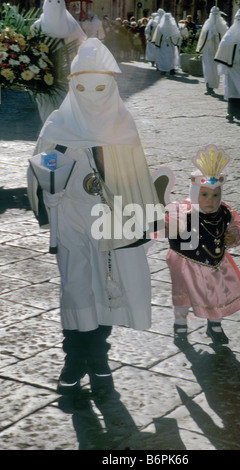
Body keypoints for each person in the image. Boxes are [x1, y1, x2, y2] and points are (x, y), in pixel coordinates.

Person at [27, 38, 162, 397]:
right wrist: (48, 193)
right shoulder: (58, 124)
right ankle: (74, 358)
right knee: (76, 290)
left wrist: (140, 219)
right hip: (70, 218)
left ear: (112, 84)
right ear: (72, 84)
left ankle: (98, 359)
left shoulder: (122, 123)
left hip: (111, 223)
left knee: (108, 288)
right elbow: (41, 168)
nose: (90, 95)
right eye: (81, 86)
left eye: (99, 86)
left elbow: (135, 179)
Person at [165, 144, 240, 348]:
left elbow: (235, 225)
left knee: (217, 291)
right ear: (194, 193)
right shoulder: (183, 211)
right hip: (186, 261)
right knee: (183, 293)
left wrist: (232, 235)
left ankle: (215, 324)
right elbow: (168, 224)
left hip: (215, 262)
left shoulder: (225, 212)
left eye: (215, 195)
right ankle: (180, 324)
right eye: (204, 195)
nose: (210, 201)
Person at [30, 0, 86, 122]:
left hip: (60, 74)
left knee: (61, 105)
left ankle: (54, 132)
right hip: (44, 74)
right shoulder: (38, 26)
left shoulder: (37, 26)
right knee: (48, 107)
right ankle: (52, 133)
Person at [196, 6, 228, 95]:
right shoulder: (207, 24)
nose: (214, 16)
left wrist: (217, 35)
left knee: (215, 70)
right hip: (208, 50)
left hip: (217, 52)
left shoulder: (223, 25)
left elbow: (225, 38)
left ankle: (212, 87)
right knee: (208, 69)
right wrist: (209, 35)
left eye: (216, 14)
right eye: (213, 14)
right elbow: (203, 37)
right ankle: (208, 87)